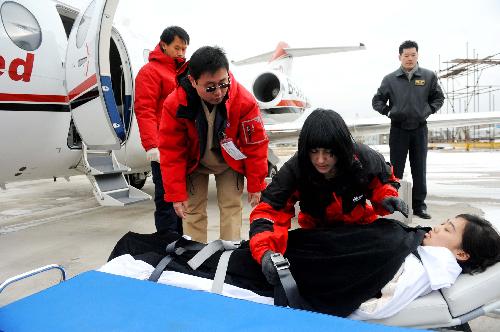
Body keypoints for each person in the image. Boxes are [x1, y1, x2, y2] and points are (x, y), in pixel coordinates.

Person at [105, 214, 500, 320]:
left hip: (286, 275)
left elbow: (352, 285)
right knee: (169, 247)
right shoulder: (417, 252)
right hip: (292, 255)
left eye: (446, 229)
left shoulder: (412, 261)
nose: (435, 228)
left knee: (145, 255)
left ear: (461, 255)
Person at [248, 108, 408, 281]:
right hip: (318, 234)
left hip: (359, 229)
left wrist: (387, 197)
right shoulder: (295, 169)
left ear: (341, 148)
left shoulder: (364, 158)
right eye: (314, 151)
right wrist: (265, 251)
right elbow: (269, 212)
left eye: (328, 152)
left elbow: (383, 183)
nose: (320, 160)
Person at [159, 46, 269, 243]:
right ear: (193, 81)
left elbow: (255, 145)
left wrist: (256, 183)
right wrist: (176, 193)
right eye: (210, 87)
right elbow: (171, 151)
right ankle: (195, 260)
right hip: (195, 164)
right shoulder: (175, 104)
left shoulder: (244, 101)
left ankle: (228, 256)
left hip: (230, 164)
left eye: (223, 83)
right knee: (192, 212)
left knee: (231, 208)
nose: (218, 92)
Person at [372, 40, 445, 220]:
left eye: (413, 55)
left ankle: (419, 205)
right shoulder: (390, 79)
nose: (410, 59)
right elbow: (377, 101)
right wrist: (389, 112)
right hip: (398, 130)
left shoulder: (428, 76)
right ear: (400, 57)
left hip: (419, 129)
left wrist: (427, 111)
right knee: (395, 170)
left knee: (419, 168)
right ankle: (395, 202)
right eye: (406, 55)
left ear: (417, 55)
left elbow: (438, 98)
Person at [134, 26, 190, 234]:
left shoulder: (183, 73)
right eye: (177, 48)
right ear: (163, 45)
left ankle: (183, 241)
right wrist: (152, 145)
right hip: (164, 148)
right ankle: (168, 244)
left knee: (184, 198)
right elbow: (145, 109)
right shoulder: (150, 72)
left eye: (184, 49)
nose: (181, 53)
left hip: (183, 146)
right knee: (166, 199)